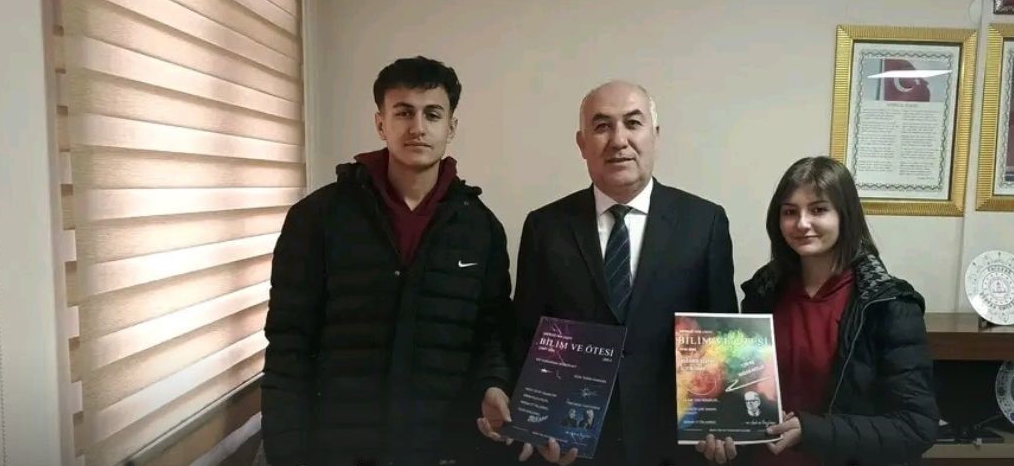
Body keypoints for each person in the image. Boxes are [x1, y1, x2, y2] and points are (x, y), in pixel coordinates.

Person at [261, 56, 514, 466]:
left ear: (451, 127)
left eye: (432, 114)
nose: (418, 127)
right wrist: (287, 452)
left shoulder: (481, 228)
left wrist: (494, 384)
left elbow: (492, 335)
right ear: (381, 124)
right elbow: (288, 345)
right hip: (337, 451)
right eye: (403, 112)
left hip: (440, 449)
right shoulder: (317, 217)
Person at [479, 80, 738, 465]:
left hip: (672, 445)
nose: (618, 140)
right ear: (582, 143)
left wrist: (728, 424)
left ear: (655, 135)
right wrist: (504, 391)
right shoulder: (546, 226)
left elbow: (722, 336)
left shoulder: (704, 222)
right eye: (602, 126)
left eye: (633, 123)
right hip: (572, 445)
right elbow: (526, 333)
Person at [702, 157, 937, 466]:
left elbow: (916, 427)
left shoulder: (889, 304)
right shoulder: (761, 293)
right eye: (790, 212)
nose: (802, 223)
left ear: (845, 216)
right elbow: (744, 394)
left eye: (818, 210)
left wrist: (811, 431)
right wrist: (724, 433)